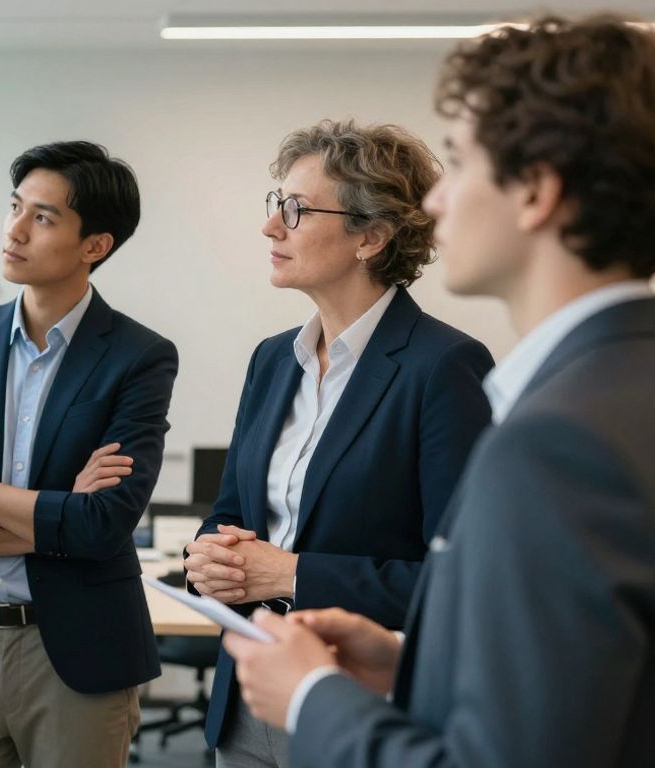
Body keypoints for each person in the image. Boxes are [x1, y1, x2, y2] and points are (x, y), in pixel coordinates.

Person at [223, 15, 655, 768]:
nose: (433, 203)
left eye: (458, 163)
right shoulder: (611, 391)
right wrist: (407, 662)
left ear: (536, 193)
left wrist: (311, 698)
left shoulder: (558, 438)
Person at [184, 120, 493, 766]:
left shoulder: (443, 367)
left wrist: (291, 573)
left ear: (371, 237)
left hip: (360, 710)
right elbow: (233, 515)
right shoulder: (273, 361)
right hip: (246, 698)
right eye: (276, 206)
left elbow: (458, 583)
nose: (272, 228)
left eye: (294, 210)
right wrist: (213, 558)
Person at [0, 141, 179, 767]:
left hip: (81, 653)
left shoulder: (139, 356)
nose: (15, 230)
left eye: (44, 217)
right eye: (14, 207)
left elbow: (104, 524)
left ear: (95, 246)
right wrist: (59, 514)